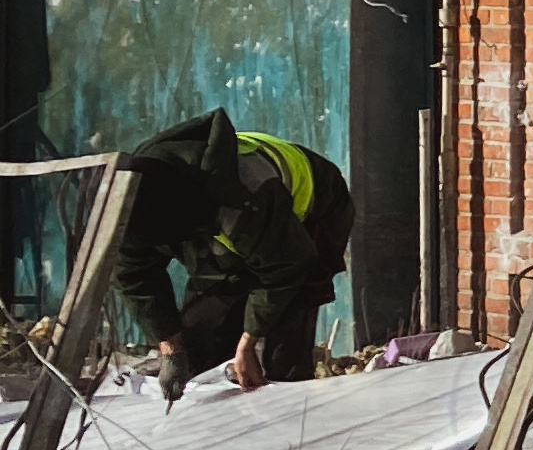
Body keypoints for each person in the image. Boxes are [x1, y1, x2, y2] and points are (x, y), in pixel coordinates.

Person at [106, 110, 353, 391]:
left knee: (283, 352)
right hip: (234, 230)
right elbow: (136, 281)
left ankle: (291, 424)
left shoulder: (241, 196)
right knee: (199, 348)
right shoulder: (130, 200)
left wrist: (247, 344)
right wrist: (171, 350)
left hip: (312, 212)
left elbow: (286, 265)